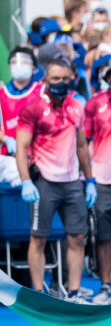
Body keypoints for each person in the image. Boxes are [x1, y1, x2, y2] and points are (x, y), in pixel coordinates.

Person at [16, 58, 95, 302]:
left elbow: (82, 145)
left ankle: (73, 292)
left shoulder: (76, 106)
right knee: (38, 238)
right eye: (55, 79)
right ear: (45, 81)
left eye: (65, 78)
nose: (61, 83)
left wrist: (89, 180)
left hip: (72, 183)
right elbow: (21, 148)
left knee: (77, 237)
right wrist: (26, 181)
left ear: (73, 79)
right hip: (44, 183)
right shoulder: (33, 108)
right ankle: (39, 293)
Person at [84, 61, 111, 304]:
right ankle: (105, 285)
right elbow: (85, 141)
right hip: (103, 178)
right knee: (104, 235)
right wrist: (88, 178)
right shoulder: (95, 103)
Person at [0, 47, 41, 156]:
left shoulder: (42, 92)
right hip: (10, 156)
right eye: (15, 62)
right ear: (9, 67)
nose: (20, 65)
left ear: (33, 68)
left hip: (38, 154)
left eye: (25, 62)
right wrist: (6, 139)